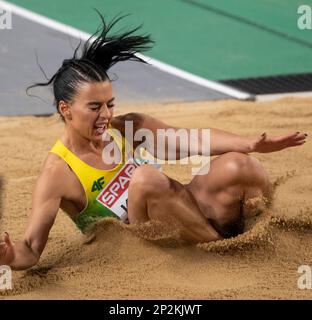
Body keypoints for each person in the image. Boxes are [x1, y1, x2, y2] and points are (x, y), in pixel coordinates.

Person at [0, 15, 307, 271]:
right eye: (95, 107)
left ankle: (274, 231)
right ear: (65, 109)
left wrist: (251, 144)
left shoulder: (126, 127)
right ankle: (225, 255)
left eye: (110, 104)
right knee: (144, 179)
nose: (106, 115)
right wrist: (10, 256)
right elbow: (31, 248)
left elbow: (189, 140)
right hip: (148, 246)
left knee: (239, 164)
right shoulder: (58, 172)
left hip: (182, 214)